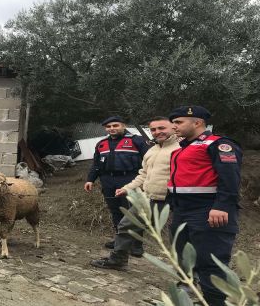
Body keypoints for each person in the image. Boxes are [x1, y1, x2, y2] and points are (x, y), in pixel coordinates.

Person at [167, 106, 242, 306]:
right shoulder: (184, 148)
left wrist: (222, 206)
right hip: (183, 210)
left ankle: (215, 301)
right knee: (185, 257)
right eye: (173, 123)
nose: (174, 127)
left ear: (197, 122)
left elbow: (230, 178)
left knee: (210, 262)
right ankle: (201, 297)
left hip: (207, 211)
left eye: (179, 122)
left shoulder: (218, 144)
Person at [90, 116, 180, 269]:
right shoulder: (153, 149)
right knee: (126, 224)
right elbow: (143, 174)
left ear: (173, 127)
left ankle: (189, 278)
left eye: (162, 128)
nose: (157, 132)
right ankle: (118, 260)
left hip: (174, 200)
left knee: (179, 238)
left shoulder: (181, 148)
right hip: (149, 198)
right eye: (153, 129)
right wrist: (127, 188)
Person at [84, 116, 149, 248]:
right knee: (116, 212)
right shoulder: (101, 144)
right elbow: (96, 164)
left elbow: (148, 162)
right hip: (108, 181)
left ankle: (136, 245)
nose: (112, 129)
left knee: (133, 212)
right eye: (108, 127)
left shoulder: (137, 141)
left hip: (130, 179)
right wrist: (90, 179)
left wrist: (145, 181)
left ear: (123, 126)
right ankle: (120, 241)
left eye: (115, 125)